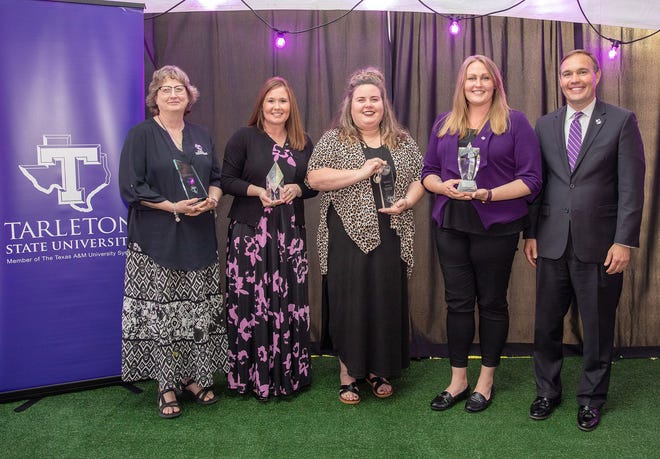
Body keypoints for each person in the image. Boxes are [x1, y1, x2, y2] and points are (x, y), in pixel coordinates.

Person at [524, 49, 645, 431]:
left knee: (596, 327)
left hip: (601, 244)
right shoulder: (544, 124)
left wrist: (624, 241)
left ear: (596, 76)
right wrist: (530, 233)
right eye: (566, 74)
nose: (573, 79)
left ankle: (591, 399)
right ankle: (547, 391)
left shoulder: (622, 121)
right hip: (550, 241)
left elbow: (631, 187)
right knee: (545, 325)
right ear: (559, 80)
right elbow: (537, 184)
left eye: (581, 72)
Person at [422, 55, 542, 413]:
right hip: (451, 225)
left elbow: (532, 180)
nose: (477, 84)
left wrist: (488, 194)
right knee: (457, 303)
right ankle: (458, 380)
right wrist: (443, 187)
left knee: (491, 303)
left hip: (497, 227)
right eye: (471, 78)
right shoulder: (445, 123)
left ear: (495, 84)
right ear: (462, 83)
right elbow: (427, 172)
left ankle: (485, 380)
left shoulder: (516, 123)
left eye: (484, 78)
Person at [307, 67, 425, 405]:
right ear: (350, 104)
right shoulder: (334, 139)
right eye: (362, 99)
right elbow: (314, 179)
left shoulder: (400, 139)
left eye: (375, 99)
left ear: (384, 104)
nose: (369, 105)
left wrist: (408, 201)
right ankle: (348, 372)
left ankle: (378, 369)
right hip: (346, 235)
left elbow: (421, 176)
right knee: (351, 300)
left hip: (392, 233)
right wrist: (361, 171)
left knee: (384, 299)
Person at [119, 65, 228, 419]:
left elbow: (216, 176)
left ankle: (195, 378)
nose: (172, 94)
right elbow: (131, 187)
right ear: (155, 98)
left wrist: (213, 198)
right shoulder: (141, 135)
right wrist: (172, 207)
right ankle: (166, 386)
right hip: (156, 241)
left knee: (195, 312)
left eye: (179, 88)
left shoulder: (201, 135)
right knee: (164, 317)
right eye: (165, 89)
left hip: (198, 239)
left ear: (189, 95)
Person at [221, 77, 317, 401]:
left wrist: (298, 189)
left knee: (288, 302)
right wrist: (256, 190)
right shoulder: (244, 138)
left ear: (292, 107)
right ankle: (248, 376)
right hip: (250, 234)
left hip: (289, 236)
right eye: (271, 101)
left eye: (283, 101)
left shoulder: (304, 143)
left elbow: (314, 183)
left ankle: (289, 374)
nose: (277, 107)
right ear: (261, 104)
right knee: (251, 303)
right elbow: (227, 180)